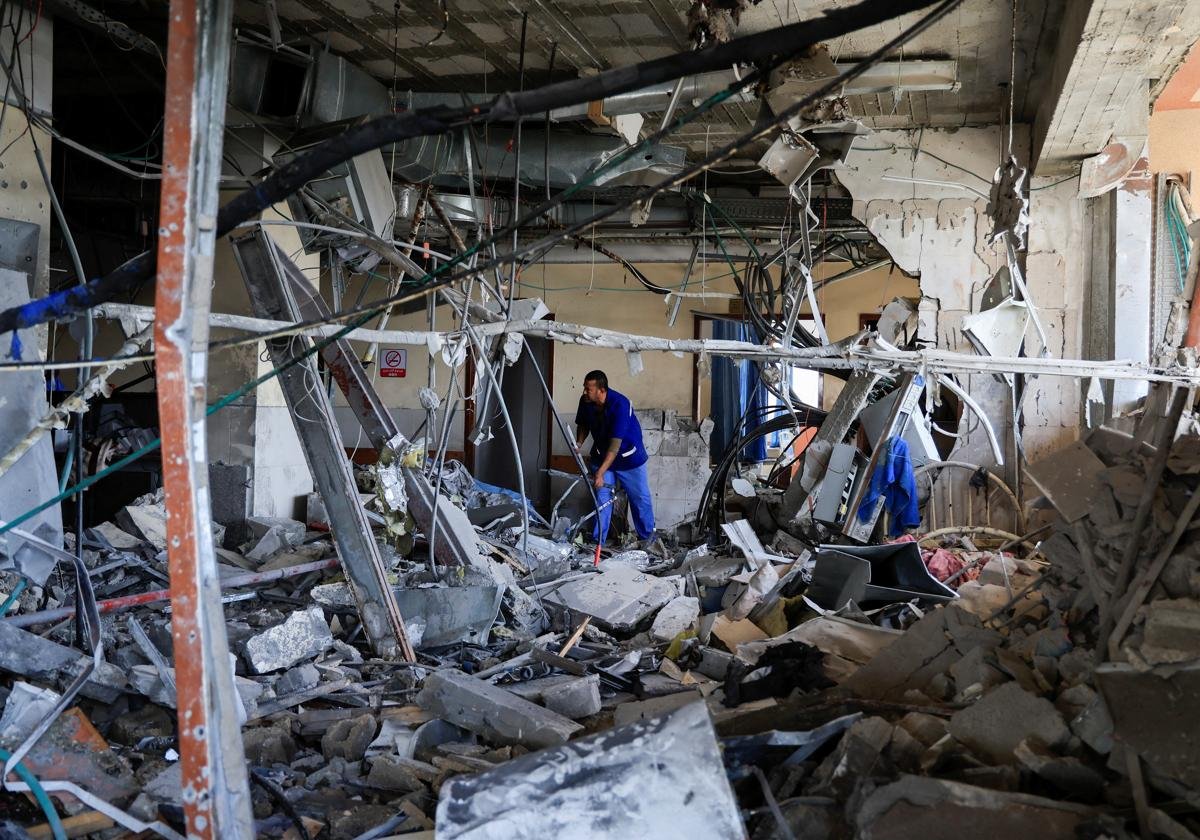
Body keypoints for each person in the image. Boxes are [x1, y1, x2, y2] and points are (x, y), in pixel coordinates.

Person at [574, 369, 656, 542]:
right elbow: (583, 424)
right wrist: (579, 443)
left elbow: (615, 446)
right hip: (602, 455)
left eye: (588, 389)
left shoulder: (620, 404)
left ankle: (648, 540)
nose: (585, 392)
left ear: (601, 390)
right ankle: (598, 543)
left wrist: (600, 473)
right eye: (584, 387)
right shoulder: (585, 401)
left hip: (629, 459)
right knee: (602, 500)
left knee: (640, 499)